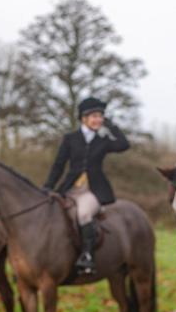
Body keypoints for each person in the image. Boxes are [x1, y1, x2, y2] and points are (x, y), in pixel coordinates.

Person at [43, 97, 130, 275]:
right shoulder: (70, 139)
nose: (98, 120)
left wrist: (112, 126)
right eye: (95, 116)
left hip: (92, 191)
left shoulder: (103, 140)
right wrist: (48, 186)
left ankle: (87, 256)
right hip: (69, 189)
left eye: (101, 116)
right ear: (84, 118)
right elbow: (59, 164)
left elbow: (124, 145)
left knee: (83, 214)